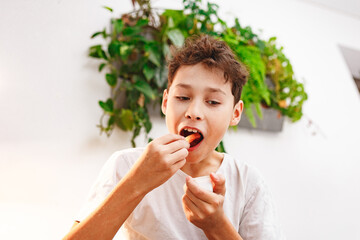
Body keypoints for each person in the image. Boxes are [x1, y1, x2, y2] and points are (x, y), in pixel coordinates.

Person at [64, 35, 284, 240]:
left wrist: (217, 226)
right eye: (183, 97)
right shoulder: (126, 165)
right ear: (165, 102)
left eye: (213, 102)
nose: (194, 111)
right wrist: (136, 183)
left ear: (235, 113)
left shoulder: (248, 183)